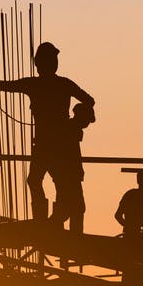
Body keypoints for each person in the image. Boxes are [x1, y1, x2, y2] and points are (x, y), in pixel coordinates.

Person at [0, 42, 94, 222]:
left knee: (42, 181)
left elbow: (0, 85)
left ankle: (48, 220)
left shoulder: (40, 84)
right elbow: (89, 101)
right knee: (40, 181)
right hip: (51, 144)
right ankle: (48, 220)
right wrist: (74, 122)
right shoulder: (60, 84)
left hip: (49, 145)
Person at [51, 101, 94, 236]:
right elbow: (71, 154)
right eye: (86, 120)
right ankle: (55, 230)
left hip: (68, 174)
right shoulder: (69, 129)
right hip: (67, 175)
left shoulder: (70, 129)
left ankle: (58, 230)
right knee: (75, 208)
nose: (87, 124)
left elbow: (74, 153)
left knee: (70, 208)